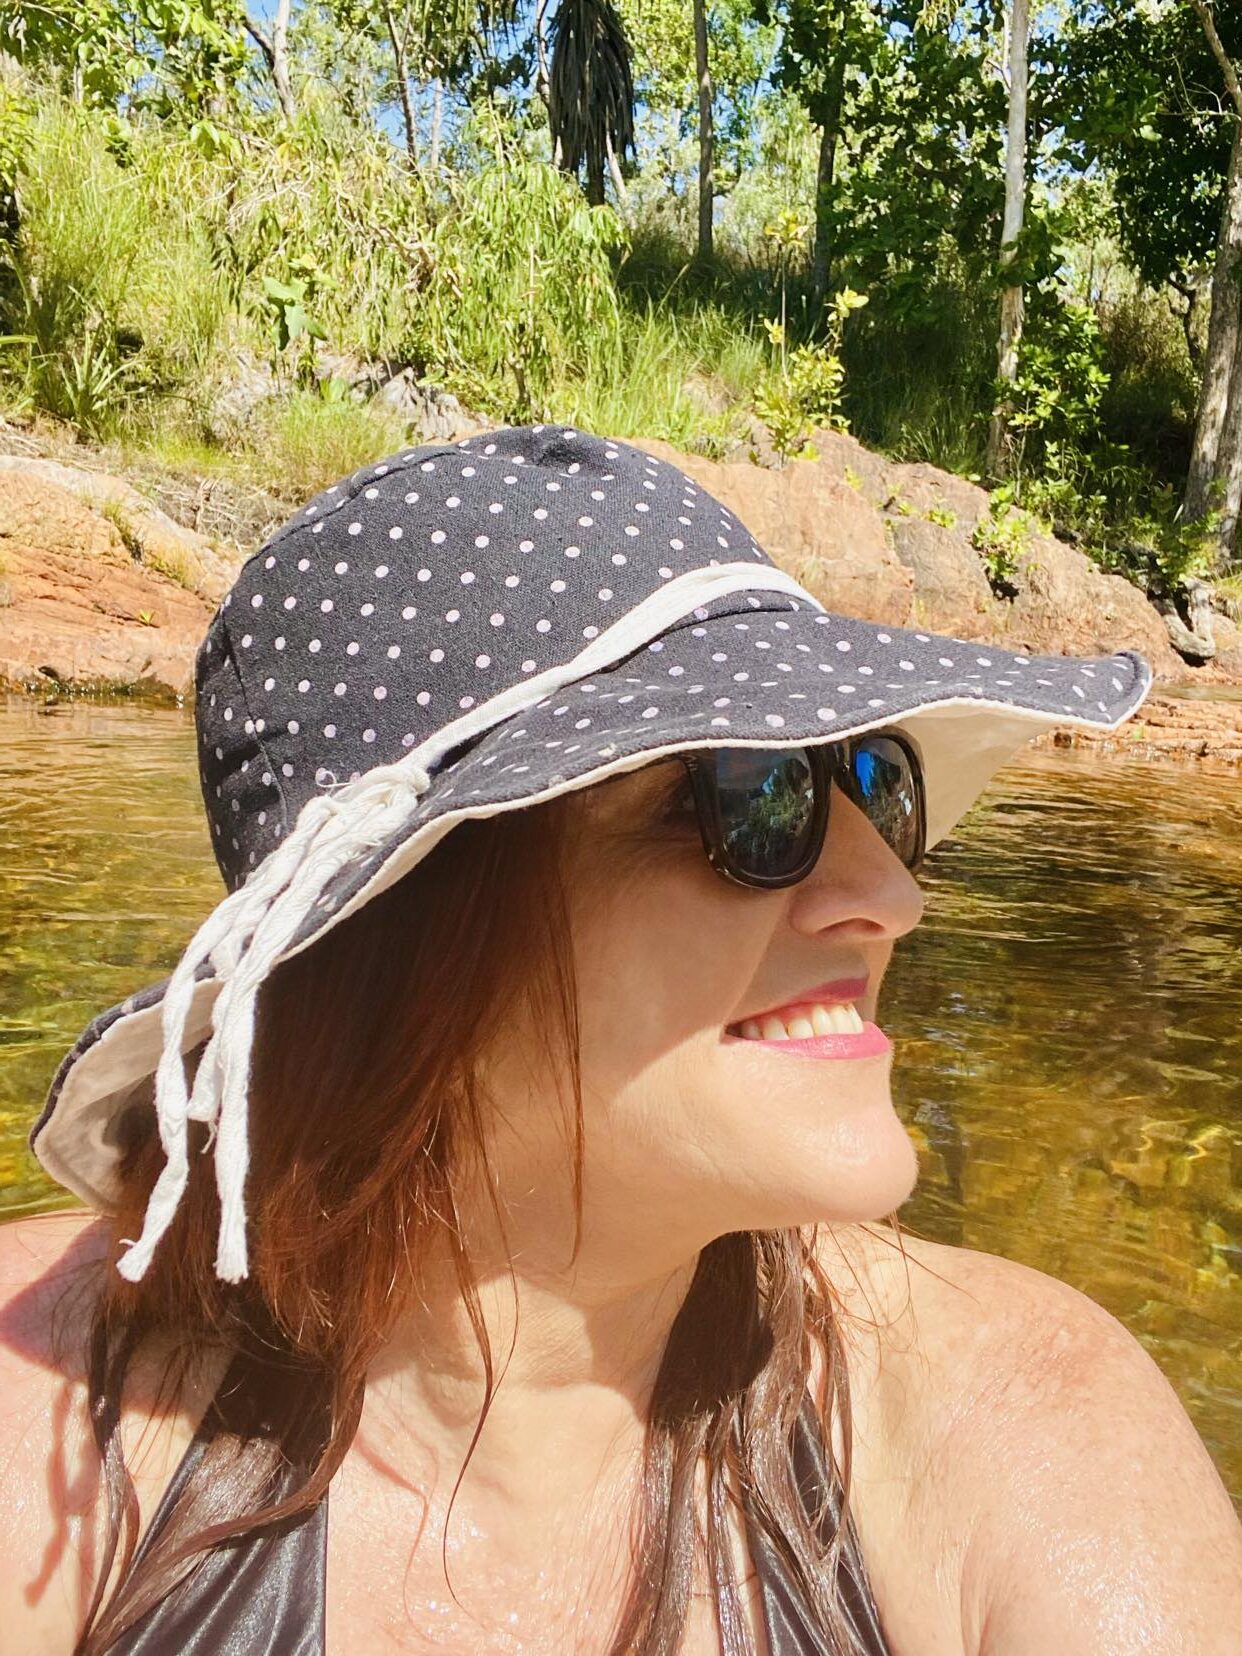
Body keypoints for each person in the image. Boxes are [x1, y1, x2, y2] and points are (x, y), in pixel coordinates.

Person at [1, 424, 1239, 1655]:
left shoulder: (1021, 1440)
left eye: (874, 776)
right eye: (758, 794)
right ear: (414, 943)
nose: (893, 897)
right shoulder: (46, 1416)